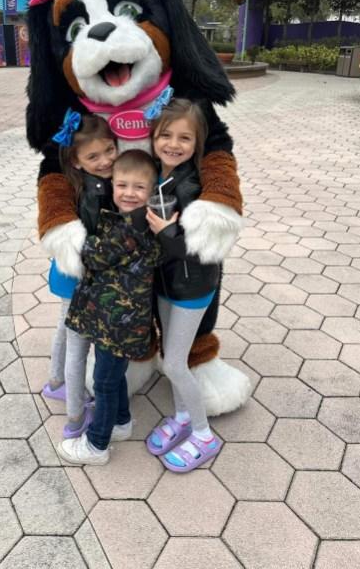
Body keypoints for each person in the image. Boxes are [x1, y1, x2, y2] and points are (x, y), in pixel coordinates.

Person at [57, 150, 161, 465]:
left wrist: (73, 237)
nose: (129, 193)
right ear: (112, 185)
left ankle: (96, 445)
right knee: (112, 378)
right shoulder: (135, 220)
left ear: (150, 191)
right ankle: (121, 423)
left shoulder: (132, 226)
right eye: (122, 185)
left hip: (117, 324)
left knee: (103, 382)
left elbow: (95, 256)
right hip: (117, 322)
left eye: (138, 188)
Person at [145, 98, 222, 472]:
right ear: (153, 137)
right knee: (168, 356)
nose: (174, 144)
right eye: (166, 135)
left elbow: (204, 248)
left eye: (184, 138)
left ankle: (204, 435)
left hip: (193, 288)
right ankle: (181, 416)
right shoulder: (154, 174)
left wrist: (168, 232)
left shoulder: (194, 185)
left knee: (175, 363)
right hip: (165, 284)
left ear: (197, 142)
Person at [41, 112, 118, 436]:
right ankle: (75, 417)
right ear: (76, 160)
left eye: (110, 151)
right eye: (93, 156)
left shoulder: (78, 183)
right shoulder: (93, 191)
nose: (105, 161)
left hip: (64, 276)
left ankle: (54, 381)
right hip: (80, 282)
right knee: (78, 348)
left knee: (63, 329)